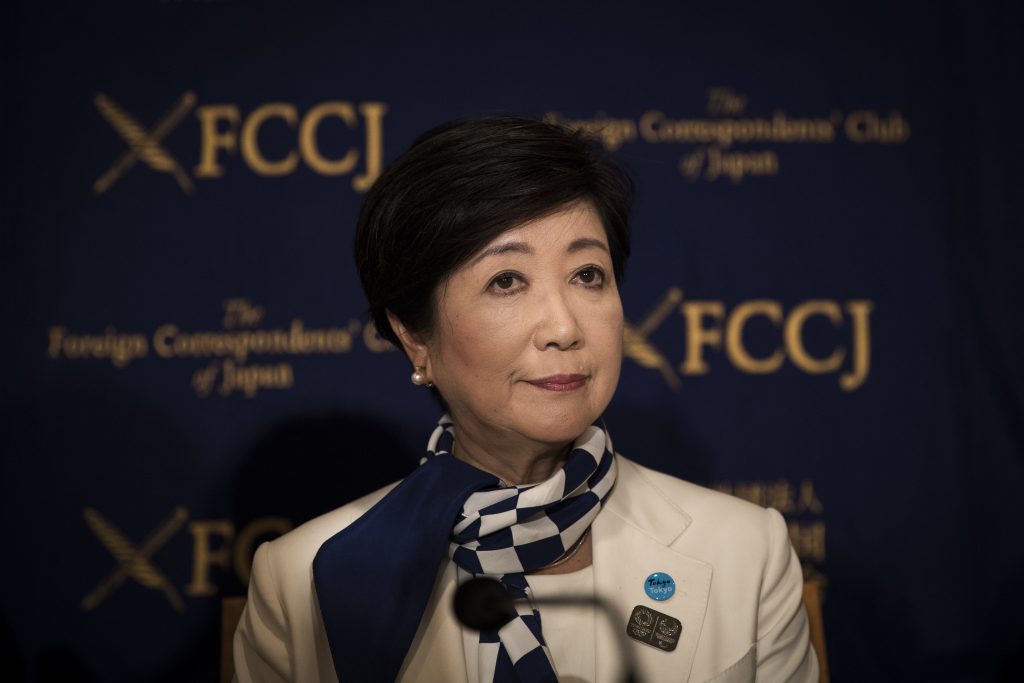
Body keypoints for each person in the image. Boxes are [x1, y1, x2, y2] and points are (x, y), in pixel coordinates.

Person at [233, 117, 818, 683]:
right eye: (506, 281)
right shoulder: (305, 579)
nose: (563, 327)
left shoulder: (746, 553)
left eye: (588, 275)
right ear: (416, 337)